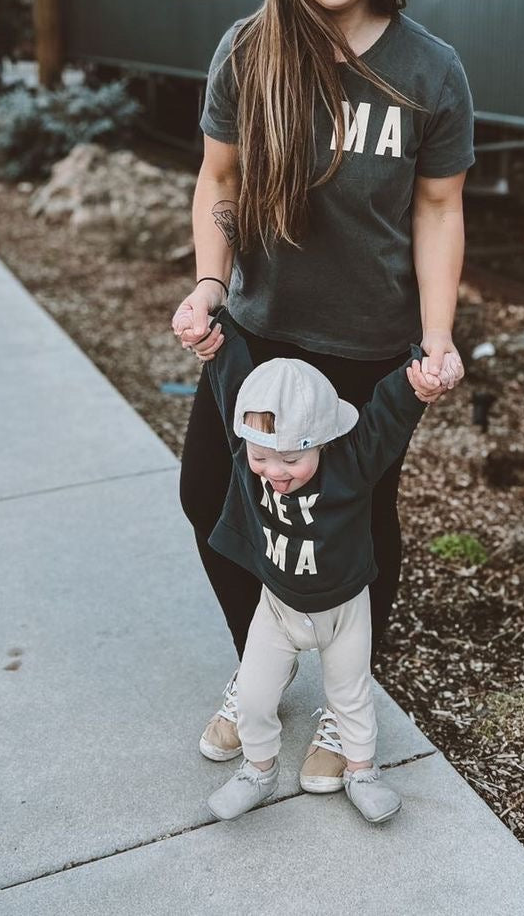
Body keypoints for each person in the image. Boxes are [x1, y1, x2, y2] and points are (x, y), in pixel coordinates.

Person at [174, 0, 474, 793]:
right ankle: (260, 666)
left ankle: (349, 711)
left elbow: (438, 209)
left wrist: (435, 338)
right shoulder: (250, 50)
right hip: (257, 330)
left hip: (367, 343)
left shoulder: (430, 70)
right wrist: (209, 285)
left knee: (355, 521)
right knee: (210, 497)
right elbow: (217, 182)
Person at [199, 308, 442, 822]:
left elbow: (387, 416)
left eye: (292, 459)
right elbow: (231, 380)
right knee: (254, 696)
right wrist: (214, 330)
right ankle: (257, 771)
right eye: (263, 458)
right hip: (277, 609)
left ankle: (362, 771)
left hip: (344, 610)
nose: (275, 472)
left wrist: (418, 380)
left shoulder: (352, 464)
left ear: (325, 440)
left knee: (350, 695)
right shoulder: (248, 455)